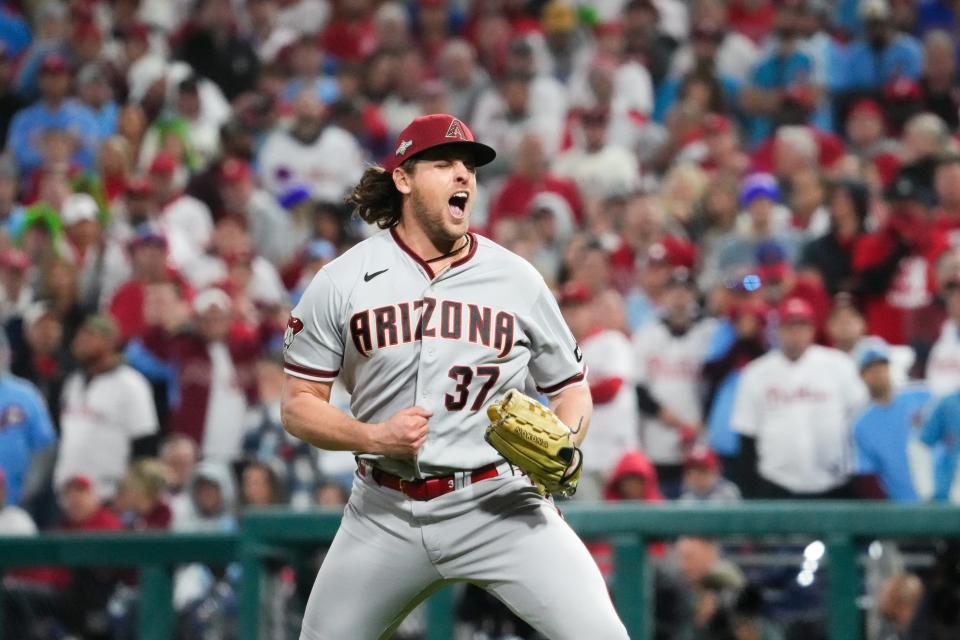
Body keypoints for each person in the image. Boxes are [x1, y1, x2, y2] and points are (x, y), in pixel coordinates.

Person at [280, 114, 627, 639]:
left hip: (499, 505)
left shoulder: (517, 278)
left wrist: (566, 443)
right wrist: (373, 435)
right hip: (384, 511)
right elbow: (298, 403)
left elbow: (571, 388)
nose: (464, 176)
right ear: (403, 178)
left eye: (469, 167)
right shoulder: (342, 280)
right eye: (444, 164)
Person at [732, 297, 868, 498]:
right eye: (789, 326)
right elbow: (747, 435)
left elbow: (861, 420)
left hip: (836, 483)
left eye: (802, 325)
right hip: (776, 483)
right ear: (777, 330)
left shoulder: (839, 365)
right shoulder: (756, 373)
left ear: (812, 329)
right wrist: (751, 490)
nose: (795, 333)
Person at [53, 315, 159, 501]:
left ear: (110, 341)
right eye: (79, 337)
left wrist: (131, 492)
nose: (80, 343)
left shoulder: (131, 384)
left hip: (108, 493)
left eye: (89, 336)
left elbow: (145, 445)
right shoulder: (73, 382)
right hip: (67, 494)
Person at [632, 267, 717, 498]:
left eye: (685, 289)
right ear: (664, 294)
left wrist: (703, 419)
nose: (679, 295)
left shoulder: (709, 331)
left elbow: (719, 383)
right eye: (673, 289)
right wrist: (667, 415)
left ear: (694, 294)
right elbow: (637, 388)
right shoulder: (648, 333)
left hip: (699, 435)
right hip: (658, 436)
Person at [557, 281, 638, 501]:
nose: (572, 315)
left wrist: (568, 394)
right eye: (567, 309)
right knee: (593, 528)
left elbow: (612, 387)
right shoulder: (560, 352)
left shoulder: (612, 341)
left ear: (590, 310)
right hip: (582, 456)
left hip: (618, 453)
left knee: (625, 523)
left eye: (578, 308)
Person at [851, 342, 932, 501]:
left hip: (943, 496)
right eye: (871, 369)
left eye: (882, 367)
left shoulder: (922, 396)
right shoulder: (861, 424)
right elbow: (867, 472)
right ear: (861, 375)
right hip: (902, 504)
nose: (878, 373)